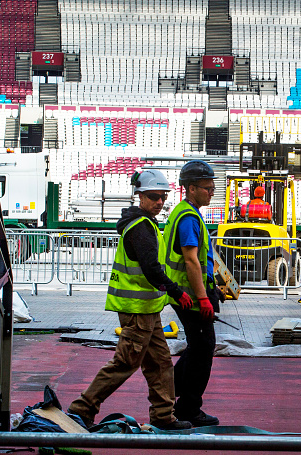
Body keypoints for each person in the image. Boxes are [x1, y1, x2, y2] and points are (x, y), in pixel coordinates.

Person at [68, 170, 193, 431]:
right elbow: (151, 269)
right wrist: (176, 291)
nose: (159, 202)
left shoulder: (143, 224)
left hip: (147, 310)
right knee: (125, 363)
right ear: (140, 197)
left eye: (163, 197)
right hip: (137, 311)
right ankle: (81, 410)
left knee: (160, 364)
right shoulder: (141, 228)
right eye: (153, 197)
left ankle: (163, 415)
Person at [163, 160, 222, 427]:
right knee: (204, 347)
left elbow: (198, 261)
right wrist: (202, 298)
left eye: (212, 187)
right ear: (190, 188)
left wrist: (212, 287)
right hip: (189, 296)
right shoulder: (188, 218)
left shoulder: (185, 213)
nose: (212, 192)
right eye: (207, 187)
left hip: (188, 293)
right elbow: (190, 261)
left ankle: (169, 392)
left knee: (198, 346)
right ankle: (188, 408)